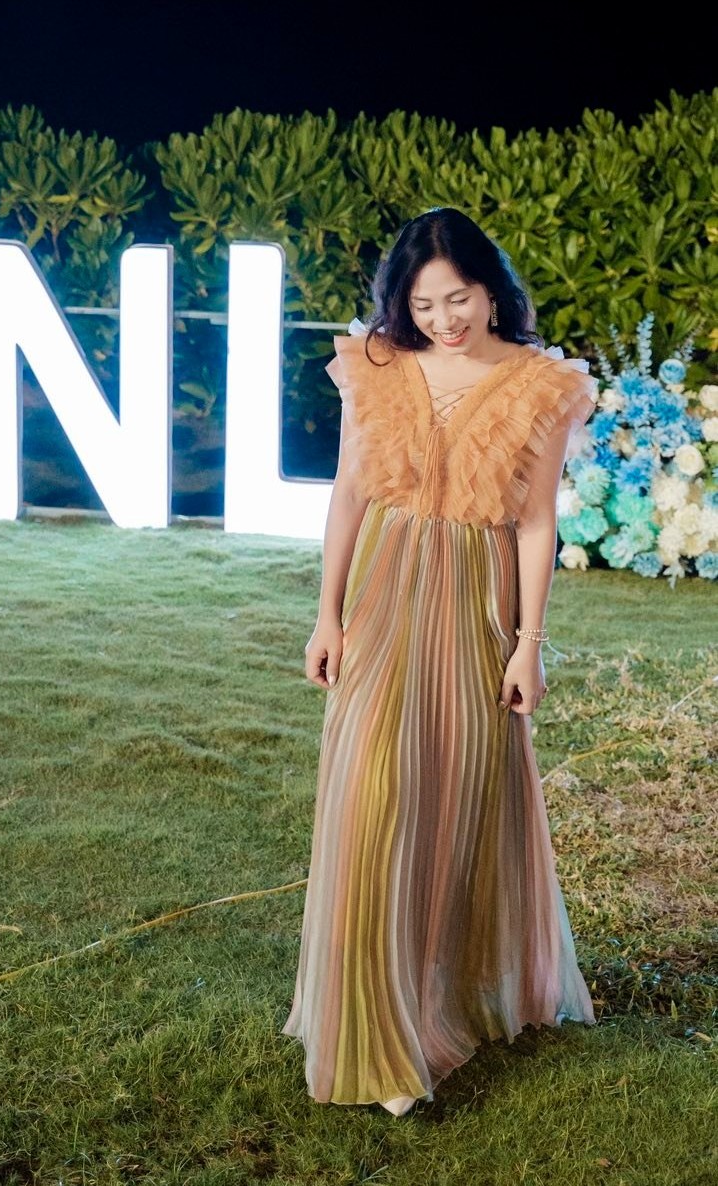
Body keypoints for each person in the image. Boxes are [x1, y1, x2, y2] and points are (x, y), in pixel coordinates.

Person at [282, 207, 599, 1116]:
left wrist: (528, 645)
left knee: (457, 797)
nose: (442, 320)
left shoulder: (541, 386)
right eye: (422, 305)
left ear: (490, 290)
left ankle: (440, 998)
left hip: (474, 605)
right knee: (372, 791)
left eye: (456, 299)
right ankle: (375, 1022)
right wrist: (326, 617)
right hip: (383, 596)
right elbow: (348, 495)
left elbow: (534, 523)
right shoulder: (376, 366)